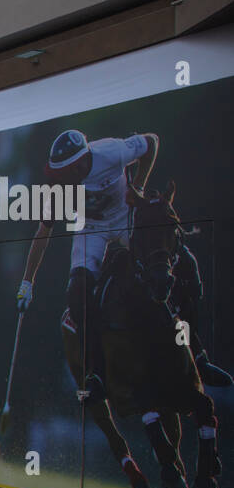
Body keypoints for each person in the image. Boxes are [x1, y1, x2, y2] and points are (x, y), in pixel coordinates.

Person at [17, 128, 229, 402]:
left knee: (182, 263)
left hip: (125, 219)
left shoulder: (112, 151)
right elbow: (42, 234)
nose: (62, 179)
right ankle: (96, 374)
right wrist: (27, 282)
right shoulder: (59, 190)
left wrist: (138, 185)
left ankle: (198, 356)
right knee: (77, 292)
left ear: (82, 161)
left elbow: (152, 141)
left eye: (67, 171)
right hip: (89, 230)